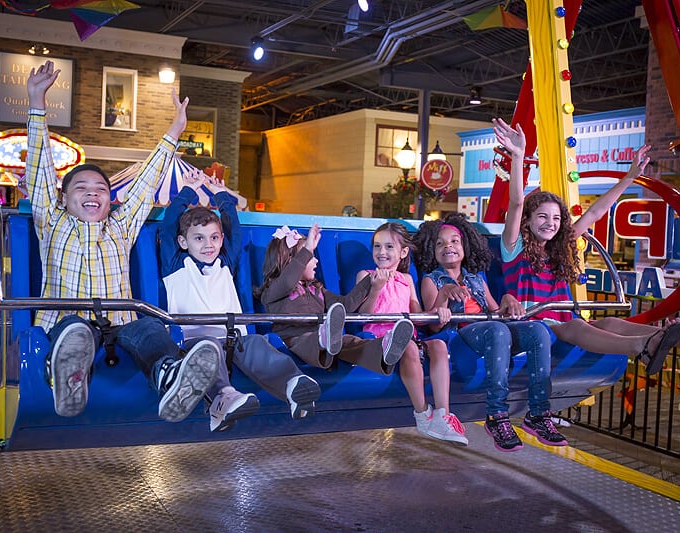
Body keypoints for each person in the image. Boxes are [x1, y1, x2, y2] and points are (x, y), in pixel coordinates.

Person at [26, 60, 218, 422]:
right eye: (80, 188)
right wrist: (37, 102)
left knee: (150, 327)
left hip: (121, 323)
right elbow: (39, 172)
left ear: (110, 199)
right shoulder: (51, 221)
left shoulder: (120, 225)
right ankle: (69, 376)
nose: (92, 194)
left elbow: (147, 181)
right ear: (63, 199)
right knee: (75, 332)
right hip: (71, 323)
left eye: (100, 189)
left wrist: (175, 132)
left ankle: (169, 377)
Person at [493, 117, 680, 373]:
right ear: (528, 220)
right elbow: (516, 203)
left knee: (611, 322)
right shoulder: (513, 248)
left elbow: (595, 213)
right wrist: (518, 156)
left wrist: (630, 177)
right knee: (577, 325)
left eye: (556, 218)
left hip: (561, 327)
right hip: (530, 328)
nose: (551, 223)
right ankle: (643, 345)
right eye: (543, 217)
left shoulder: (558, 248)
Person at [159, 175, 321, 431]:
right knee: (208, 350)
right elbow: (168, 226)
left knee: (257, 344)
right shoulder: (176, 265)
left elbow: (233, 226)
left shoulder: (225, 263)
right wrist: (188, 191)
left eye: (213, 238)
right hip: (196, 345)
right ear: (183, 242)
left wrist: (220, 194)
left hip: (233, 339)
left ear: (221, 240)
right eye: (198, 238)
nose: (208, 245)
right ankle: (223, 398)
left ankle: (293, 385)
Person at [414, 216, 563, 452]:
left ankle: (538, 412)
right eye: (440, 244)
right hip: (460, 336)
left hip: (491, 330)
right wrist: (444, 294)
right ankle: (497, 415)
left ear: (465, 248)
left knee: (537, 330)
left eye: (454, 241)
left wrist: (508, 299)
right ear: (433, 251)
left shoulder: (476, 279)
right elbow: (433, 325)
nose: (448, 247)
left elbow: (495, 311)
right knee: (496, 330)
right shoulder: (431, 280)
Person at [356, 222, 467, 445]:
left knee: (438, 345)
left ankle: (442, 414)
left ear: (403, 252)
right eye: (377, 246)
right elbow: (363, 315)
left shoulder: (406, 280)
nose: (382, 252)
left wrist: (441, 302)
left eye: (389, 247)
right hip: (379, 341)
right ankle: (422, 413)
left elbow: (419, 316)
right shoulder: (365, 276)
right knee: (406, 345)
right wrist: (376, 288)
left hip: (409, 337)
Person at [255, 224, 414, 377]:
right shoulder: (273, 290)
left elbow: (345, 305)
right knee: (309, 340)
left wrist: (371, 280)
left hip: (324, 338)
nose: (316, 261)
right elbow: (288, 281)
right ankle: (325, 338)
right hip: (292, 342)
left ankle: (383, 348)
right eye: (311, 257)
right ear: (291, 263)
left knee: (350, 342)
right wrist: (307, 249)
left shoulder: (317, 290)